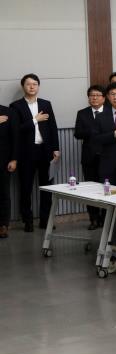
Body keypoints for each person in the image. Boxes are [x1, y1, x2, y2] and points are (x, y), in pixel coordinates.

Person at [10, 74, 60, 232]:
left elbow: (52, 127)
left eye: (35, 84)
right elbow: (16, 129)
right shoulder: (15, 106)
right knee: (25, 188)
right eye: (28, 84)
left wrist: (56, 148)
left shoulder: (46, 103)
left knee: (47, 188)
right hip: (26, 153)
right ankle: (28, 221)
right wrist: (34, 120)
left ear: (38, 86)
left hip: (45, 151)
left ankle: (45, 220)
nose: (32, 87)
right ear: (23, 86)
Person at [74, 85, 105, 230]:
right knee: (90, 190)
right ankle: (93, 219)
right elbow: (77, 133)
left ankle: (105, 219)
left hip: (107, 157)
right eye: (92, 95)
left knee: (106, 189)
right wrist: (91, 131)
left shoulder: (110, 112)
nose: (94, 98)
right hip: (89, 157)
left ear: (104, 98)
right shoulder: (82, 113)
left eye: (98, 95)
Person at [94, 82, 116, 187]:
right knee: (108, 198)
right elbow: (96, 139)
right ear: (108, 97)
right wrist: (113, 134)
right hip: (107, 165)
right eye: (112, 94)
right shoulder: (100, 116)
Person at [0, 103, 18, 238]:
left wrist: (14, 159)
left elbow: (15, 137)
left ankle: (3, 225)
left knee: (3, 193)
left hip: (3, 160)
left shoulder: (8, 111)